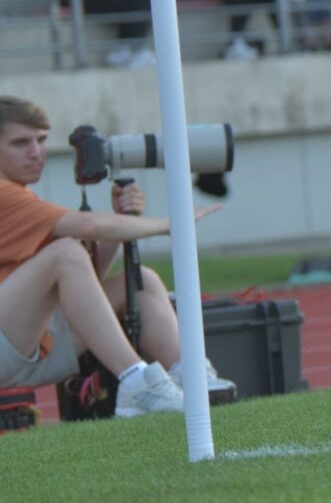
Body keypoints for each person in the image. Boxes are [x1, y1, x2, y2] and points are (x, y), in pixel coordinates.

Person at [0, 96, 233, 416]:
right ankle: (136, 381)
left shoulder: (21, 194)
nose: (36, 152)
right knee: (66, 252)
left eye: (41, 140)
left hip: (32, 348)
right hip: (9, 348)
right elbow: (88, 225)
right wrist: (171, 223)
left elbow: (83, 285)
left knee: (141, 281)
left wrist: (128, 217)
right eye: (21, 143)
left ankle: (192, 377)